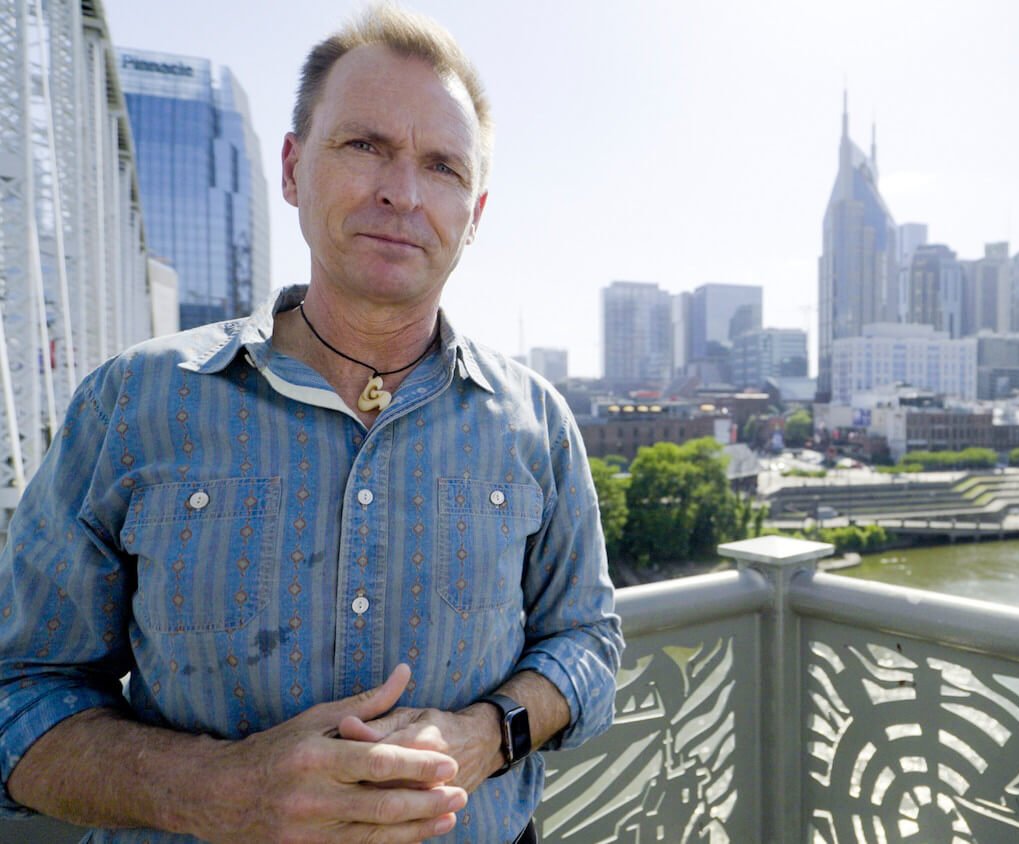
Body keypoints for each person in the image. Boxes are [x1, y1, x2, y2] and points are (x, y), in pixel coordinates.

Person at [0, 6, 622, 842]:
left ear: (474, 214)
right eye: (365, 146)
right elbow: (17, 690)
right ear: (292, 169)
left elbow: (587, 641)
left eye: (442, 166)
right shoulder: (133, 403)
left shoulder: (537, 423)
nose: (402, 192)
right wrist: (216, 789)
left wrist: (487, 733)